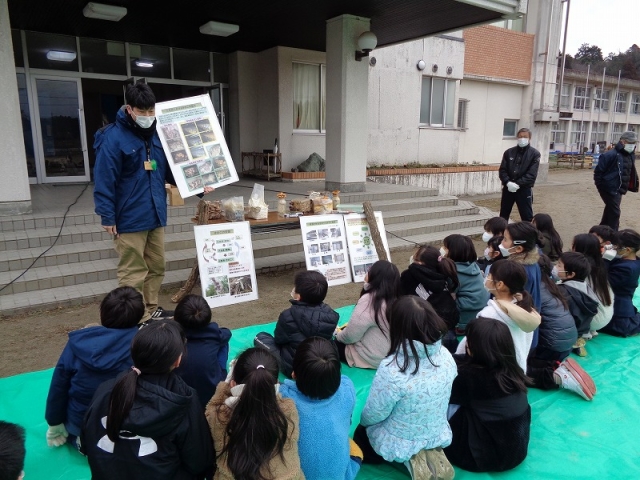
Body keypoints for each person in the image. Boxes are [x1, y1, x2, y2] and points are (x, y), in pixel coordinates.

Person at [93, 83, 212, 321]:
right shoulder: (113, 138)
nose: (148, 116)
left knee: (157, 266)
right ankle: (135, 318)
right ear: (129, 109)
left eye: (151, 111)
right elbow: (104, 179)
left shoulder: (157, 134)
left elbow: (169, 171)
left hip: (155, 214)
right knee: (133, 271)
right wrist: (107, 216)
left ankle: (151, 307)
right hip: (128, 217)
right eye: (142, 111)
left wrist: (198, 185)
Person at [81, 320, 214, 480]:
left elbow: (87, 441)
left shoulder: (105, 389)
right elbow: (199, 460)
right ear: (177, 360)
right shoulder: (184, 399)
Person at [354, 296, 457, 480]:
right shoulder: (446, 355)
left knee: (361, 433)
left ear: (398, 328)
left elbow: (374, 414)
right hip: (436, 429)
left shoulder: (392, 369)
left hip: (400, 438)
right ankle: (427, 449)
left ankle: (407, 456)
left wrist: (363, 422)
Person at [45, 286, 143, 449]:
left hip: (79, 422)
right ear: (139, 316)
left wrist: (54, 421)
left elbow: (59, 385)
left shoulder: (77, 344)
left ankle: (83, 443)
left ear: (103, 313)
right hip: (123, 422)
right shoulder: (142, 345)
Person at [445, 317, 531, 472]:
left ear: (475, 347)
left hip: (482, 458)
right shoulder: (512, 369)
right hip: (516, 452)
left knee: (438, 396)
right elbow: (464, 361)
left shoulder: (470, 378)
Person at [205, 347, 303, 480]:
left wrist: (225, 385)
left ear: (233, 384)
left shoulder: (219, 416)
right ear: (275, 385)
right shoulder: (289, 410)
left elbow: (211, 409)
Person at [280, 337, 361, 480]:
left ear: (294, 374)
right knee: (354, 449)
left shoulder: (283, 399)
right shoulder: (347, 388)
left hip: (298, 475)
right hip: (339, 476)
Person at [527, 255, 596, 401]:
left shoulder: (537, 290)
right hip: (568, 343)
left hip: (552, 348)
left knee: (513, 372)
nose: (556, 267)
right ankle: (556, 366)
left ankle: (558, 377)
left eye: (559, 265)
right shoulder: (552, 286)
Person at [457, 260, 540, 373]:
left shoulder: (489, 315)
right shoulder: (525, 310)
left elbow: (471, 346)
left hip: (494, 374)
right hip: (515, 372)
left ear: (500, 284)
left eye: (489, 275)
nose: (486, 278)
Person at [254, 270, 339, 377]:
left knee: (260, 337)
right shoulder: (332, 315)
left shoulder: (287, 315)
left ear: (298, 296)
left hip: (296, 367)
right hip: (324, 365)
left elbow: (279, 340)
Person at [335, 260, 401, 369]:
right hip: (391, 356)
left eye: (369, 270)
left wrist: (338, 335)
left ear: (375, 277)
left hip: (370, 357)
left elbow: (351, 336)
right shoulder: (399, 299)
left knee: (327, 346)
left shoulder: (370, 300)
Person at [173, 294, 232, 408]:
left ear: (176, 318)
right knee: (223, 344)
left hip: (180, 393)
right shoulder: (214, 334)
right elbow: (227, 333)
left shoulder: (170, 336)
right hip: (213, 390)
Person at [400, 245, 460, 352]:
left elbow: (402, 299)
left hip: (425, 328)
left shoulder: (408, 275)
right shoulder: (443, 271)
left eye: (415, 257)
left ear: (420, 263)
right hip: (449, 325)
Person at [500, 222, 543, 347]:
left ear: (519, 249)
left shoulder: (518, 272)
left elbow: (512, 305)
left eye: (505, 239)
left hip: (517, 333)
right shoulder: (532, 263)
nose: (501, 242)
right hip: (528, 328)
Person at [442, 234, 489, 335]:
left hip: (465, 314)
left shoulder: (453, 272)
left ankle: (460, 329)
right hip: (481, 310)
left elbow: (450, 295)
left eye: (445, 247)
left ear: (453, 252)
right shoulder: (472, 265)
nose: (442, 249)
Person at [555, 252, 599, 357]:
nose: (555, 267)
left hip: (565, 332)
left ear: (571, 274)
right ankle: (578, 342)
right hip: (582, 330)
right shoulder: (585, 288)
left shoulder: (562, 291)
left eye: (559, 265)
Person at [593, 130, 639, 231]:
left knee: (610, 210)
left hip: (620, 188)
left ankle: (600, 231)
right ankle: (614, 234)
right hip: (609, 188)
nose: (632, 145)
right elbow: (598, 172)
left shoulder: (630, 155)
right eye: (630, 142)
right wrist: (601, 186)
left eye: (634, 143)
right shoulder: (610, 155)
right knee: (615, 212)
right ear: (623, 141)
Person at [600, 229, 640, 337]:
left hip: (618, 310)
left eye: (616, 247)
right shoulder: (631, 260)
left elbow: (603, 282)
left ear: (627, 250)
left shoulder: (627, 269)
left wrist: (605, 259)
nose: (613, 248)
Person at [572, 234, 614, 337]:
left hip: (594, 319)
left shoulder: (580, 269)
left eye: (573, 245)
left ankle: (584, 331)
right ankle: (590, 329)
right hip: (606, 316)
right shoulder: (599, 265)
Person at [498, 127, 541, 222]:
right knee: (503, 215)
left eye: (525, 137)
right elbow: (502, 170)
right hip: (508, 188)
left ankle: (527, 232)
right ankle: (502, 231)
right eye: (520, 136)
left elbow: (531, 174)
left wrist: (518, 184)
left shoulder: (534, 154)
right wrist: (508, 182)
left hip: (524, 189)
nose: (522, 139)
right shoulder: (509, 152)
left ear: (529, 138)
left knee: (527, 216)